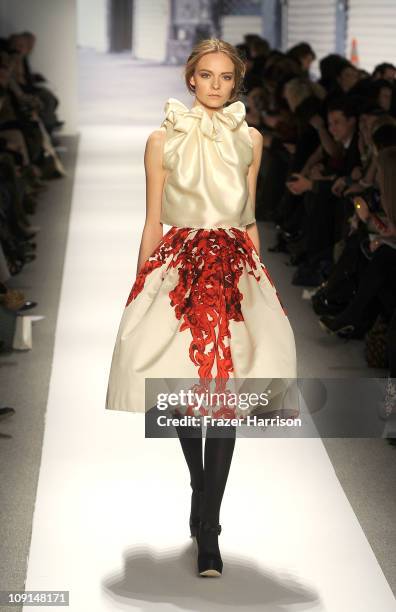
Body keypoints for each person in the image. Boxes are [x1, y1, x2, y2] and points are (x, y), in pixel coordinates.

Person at [105, 38, 297, 577]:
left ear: (237, 83)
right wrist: (140, 282)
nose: (216, 85)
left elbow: (252, 215)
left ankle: (209, 526)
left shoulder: (251, 140)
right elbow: (152, 220)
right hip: (182, 264)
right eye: (206, 75)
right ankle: (200, 486)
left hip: (236, 266)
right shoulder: (161, 139)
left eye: (226, 77)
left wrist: (263, 282)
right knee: (186, 392)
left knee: (227, 398)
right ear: (191, 78)